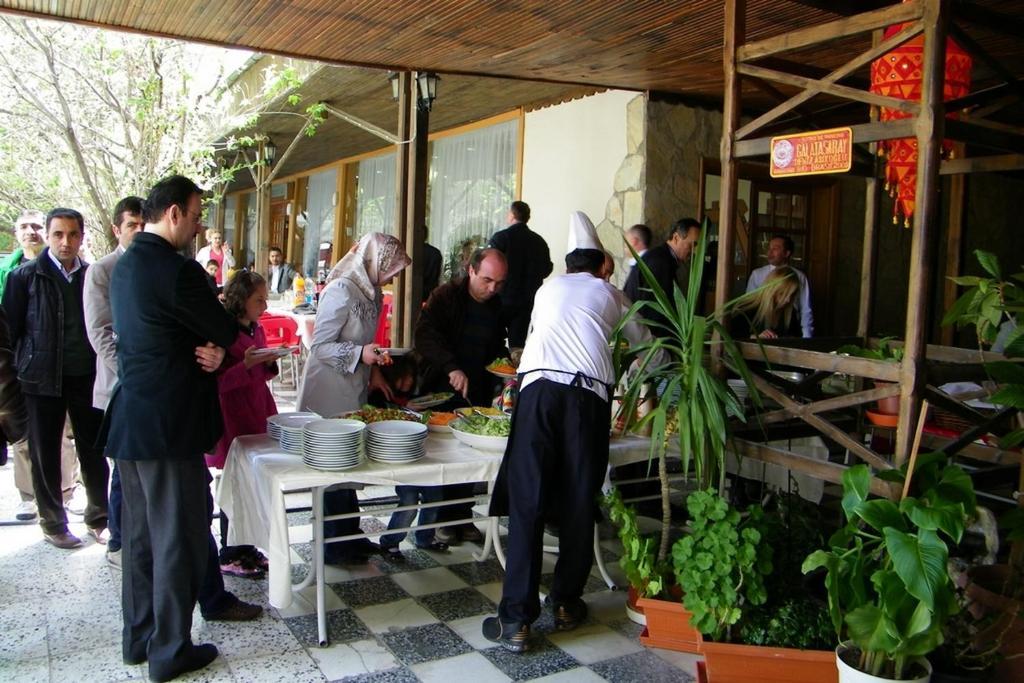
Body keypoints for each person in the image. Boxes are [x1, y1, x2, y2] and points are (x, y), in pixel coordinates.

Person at [482, 211, 650, 652]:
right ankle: (565, 602)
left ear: (569, 263)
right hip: (583, 401)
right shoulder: (610, 294)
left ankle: (517, 620)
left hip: (535, 394)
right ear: (601, 266)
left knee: (528, 502)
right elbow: (647, 345)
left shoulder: (547, 289)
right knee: (577, 498)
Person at [107, 175, 241, 681]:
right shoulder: (177, 270)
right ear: (175, 214)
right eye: (197, 211)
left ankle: (139, 638)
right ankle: (169, 650)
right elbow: (225, 327)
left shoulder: (125, 264)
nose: (200, 222)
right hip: (169, 425)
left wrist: (206, 348)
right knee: (177, 537)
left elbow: (159, 333)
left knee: (141, 537)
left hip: (132, 420)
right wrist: (215, 347)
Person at [297, 232, 411, 564]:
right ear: (374, 262)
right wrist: (361, 354)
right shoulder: (341, 290)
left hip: (353, 384)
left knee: (349, 463)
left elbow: (365, 339)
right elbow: (319, 347)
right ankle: (334, 545)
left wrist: (373, 368)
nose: (394, 277)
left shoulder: (371, 291)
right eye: (391, 269)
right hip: (328, 389)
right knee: (333, 468)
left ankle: (352, 536)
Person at [2, 208, 108, 549]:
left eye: (73, 234)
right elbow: (9, 334)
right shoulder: (24, 277)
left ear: (82, 236)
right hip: (40, 379)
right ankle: (53, 522)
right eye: (59, 234)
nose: (66, 242)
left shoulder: (93, 276)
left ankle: (99, 516)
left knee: (94, 451)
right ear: (48, 236)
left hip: (86, 376)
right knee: (44, 452)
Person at [415, 248, 509, 545]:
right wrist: (451, 367)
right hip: (442, 385)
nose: (492, 288)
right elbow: (425, 334)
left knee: (471, 454)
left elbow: (495, 346)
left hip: (477, 388)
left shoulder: (496, 304)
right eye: (487, 280)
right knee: (446, 455)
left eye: (499, 283)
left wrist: (508, 368)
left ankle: (463, 516)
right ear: (470, 270)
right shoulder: (445, 296)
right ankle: (442, 520)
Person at [0, 210, 78, 521]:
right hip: (30, 371)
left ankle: (67, 491)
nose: (30, 232)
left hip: (69, 369)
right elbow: (9, 329)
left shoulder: (78, 271)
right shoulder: (12, 271)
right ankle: (29, 497)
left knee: (66, 436)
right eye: (25, 227)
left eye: (35, 226)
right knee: (27, 438)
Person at [83, 196, 145, 568]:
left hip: (151, 388)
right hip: (120, 387)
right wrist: (132, 374)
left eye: (142, 224)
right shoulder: (103, 271)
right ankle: (119, 543)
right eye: (131, 225)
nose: (138, 231)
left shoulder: (155, 266)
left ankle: (140, 538)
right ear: (116, 229)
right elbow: (100, 331)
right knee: (123, 469)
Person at [208, 271, 280, 578]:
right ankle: (229, 549)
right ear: (240, 300)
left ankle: (248, 545)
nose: (263, 305)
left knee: (252, 481)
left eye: (265, 299)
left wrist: (269, 361)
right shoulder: (224, 333)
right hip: (232, 414)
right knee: (234, 484)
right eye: (258, 300)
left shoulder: (257, 328)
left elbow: (261, 373)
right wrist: (247, 365)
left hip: (256, 408)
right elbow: (218, 383)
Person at [489, 201, 552, 347]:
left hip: (500, 299)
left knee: (492, 340)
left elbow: (491, 264)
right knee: (517, 346)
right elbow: (546, 269)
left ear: (511, 215)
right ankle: (516, 369)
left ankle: (495, 368)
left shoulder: (501, 238)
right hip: (527, 302)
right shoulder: (539, 242)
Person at [623, 218, 701, 334]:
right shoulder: (660, 262)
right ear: (676, 238)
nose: (694, 251)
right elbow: (656, 311)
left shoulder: (661, 257)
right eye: (692, 245)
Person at [745, 234, 813, 338]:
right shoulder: (757, 274)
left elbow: (806, 310)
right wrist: (755, 337)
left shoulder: (799, 277)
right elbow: (749, 302)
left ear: (787, 253)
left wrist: (806, 340)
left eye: (775, 249)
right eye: (769, 248)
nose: (770, 252)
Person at [734, 266, 802, 340]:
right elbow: (730, 336)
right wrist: (755, 337)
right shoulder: (747, 308)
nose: (788, 300)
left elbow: (797, 338)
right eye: (782, 294)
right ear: (771, 290)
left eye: (792, 295)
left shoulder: (791, 313)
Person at [420, 226, 443, 304]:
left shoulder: (411, 252)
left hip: (413, 293)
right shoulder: (435, 253)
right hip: (431, 295)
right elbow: (437, 276)